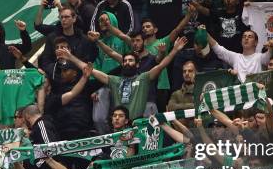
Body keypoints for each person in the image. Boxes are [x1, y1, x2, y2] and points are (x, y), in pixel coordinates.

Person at [59, 36, 187, 118]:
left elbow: (161, 65)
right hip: (121, 126)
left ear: (137, 65)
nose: (127, 63)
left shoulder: (143, 78)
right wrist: (71, 57)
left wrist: (174, 50)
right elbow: (91, 71)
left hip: (140, 122)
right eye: (125, 61)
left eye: (131, 61)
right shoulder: (115, 81)